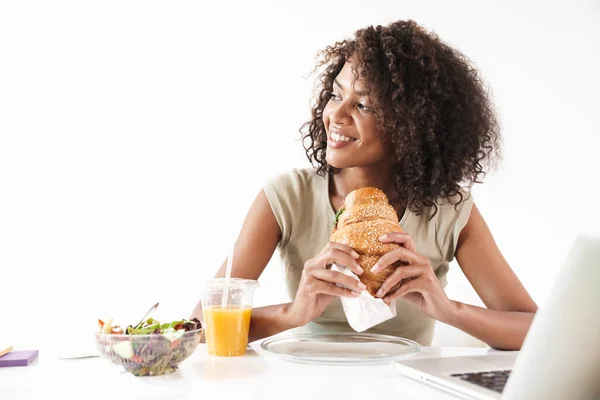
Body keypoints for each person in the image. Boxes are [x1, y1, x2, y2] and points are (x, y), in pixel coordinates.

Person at [191, 20, 537, 350]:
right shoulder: (286, 197)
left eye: (364, 104)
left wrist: (445, 308)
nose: (336, 115)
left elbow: (533, 329)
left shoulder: (448, 209)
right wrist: (293, 313)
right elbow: (200, 327)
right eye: (335, 94)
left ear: (411, 127)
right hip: (305, 381)